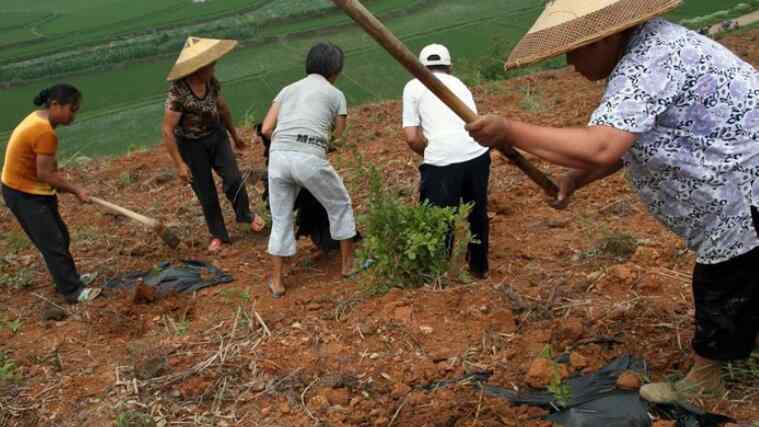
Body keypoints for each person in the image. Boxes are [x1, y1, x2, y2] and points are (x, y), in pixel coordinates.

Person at [465, 0, 759, 403]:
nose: (570, 61)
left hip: (743, 196)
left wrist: (510, 130)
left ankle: (704, 381)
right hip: (741, 191)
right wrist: (574, 178)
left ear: (602, 37)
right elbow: (635, 140)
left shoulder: (651, 60)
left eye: (575, 48)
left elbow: (604, 145)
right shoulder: (652, 46)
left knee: (724, 283)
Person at [261, 42, 357, 298]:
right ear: (336, 70)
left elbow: (266, 129)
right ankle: (347, 266)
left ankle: (277, 282)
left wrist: (286, 142)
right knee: (340, 204)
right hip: (310, 156)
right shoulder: (336, 95)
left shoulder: (287, 90)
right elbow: (338, 136)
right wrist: (323, 144)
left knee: (281, 218)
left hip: (278, 156)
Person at [162, 37, 265, 253]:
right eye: (210, 64)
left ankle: (244, 214)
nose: (214, 67)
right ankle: (218, 234)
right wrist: (180, 164)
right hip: (191, 145)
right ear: (198, 68)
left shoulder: (211, 82)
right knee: (205, 191)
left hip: (216, 136)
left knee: (233, 178)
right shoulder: (178, 92)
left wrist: (234, 136)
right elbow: (167, 130)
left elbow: (223, 108)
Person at [1, 84, 100, 304]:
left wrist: (59, 182)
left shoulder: (39, 119)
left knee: (60, 236)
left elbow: (45, 166)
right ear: (55, 105)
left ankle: (67, 278)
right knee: (52, 242)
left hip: (31, 187)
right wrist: (77, 190)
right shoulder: (44, 131)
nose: (74, 114)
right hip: (21, 192)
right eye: (72, 109)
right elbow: (45, 174)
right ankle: (72, 291)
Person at [402, 44, 491, 279]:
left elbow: (412, 137)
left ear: (420, 68)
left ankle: (437, 273)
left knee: (439, 220)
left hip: (441, 162)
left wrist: (431, 153)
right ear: (449, 67)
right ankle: (479, 268)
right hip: (478, 154)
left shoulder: (413, 86)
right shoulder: (460, 85)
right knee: (477, 212)